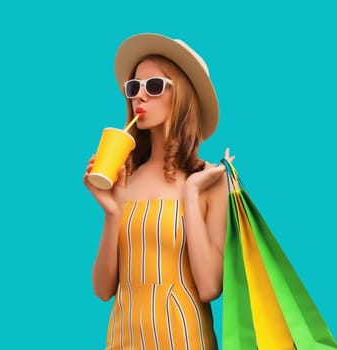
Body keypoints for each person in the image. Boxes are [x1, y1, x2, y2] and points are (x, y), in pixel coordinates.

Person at [83, 33, 233, 350]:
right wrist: (112, 212)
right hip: (123, 339)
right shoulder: (126, 175)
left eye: (153, 86)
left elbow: (209, 288)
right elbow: (102, 289)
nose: (140, 97)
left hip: (184, 338)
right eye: (134, 88)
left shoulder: (209, 179)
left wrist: (190, 195)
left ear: (183, 96)